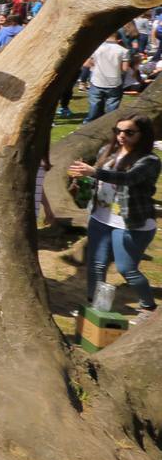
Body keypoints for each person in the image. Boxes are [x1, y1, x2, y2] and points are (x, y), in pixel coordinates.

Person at [70, 114, 160, 315]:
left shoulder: (150, 160)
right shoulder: (107, 152)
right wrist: (81, 180)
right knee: (96, 265)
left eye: (129, 132)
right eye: (118, 131)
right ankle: (95, 308)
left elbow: (128, 178)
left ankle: (149, 307)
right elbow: (98, 181)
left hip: (131, 224)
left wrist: (94, 172)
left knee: (126, 268)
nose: (121, 136)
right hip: (100, 219)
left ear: (143, 134)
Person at [84, 31, 130, 122]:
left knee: (94, 105)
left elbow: (86, 64)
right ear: (119, 39)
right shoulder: (123, 51)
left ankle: (88, 124)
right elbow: (125, 69)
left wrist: (95, 66)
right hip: (114, 82)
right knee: (112, 107)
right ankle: (109, 124)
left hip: (97, 80)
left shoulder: (97, 48)